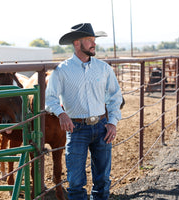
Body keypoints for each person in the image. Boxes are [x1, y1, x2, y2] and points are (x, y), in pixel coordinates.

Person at [45, 23, 122, 200]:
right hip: (76, 129)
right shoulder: (62, 71)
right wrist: (61, 113)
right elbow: (50, 99)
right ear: (77, 43)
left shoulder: (104, 68)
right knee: (75, 182)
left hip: (103, 127)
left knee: (102, 180)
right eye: (90, 40)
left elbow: (115, 96)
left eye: (94, 40)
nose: (94, 44)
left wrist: (112, 122)